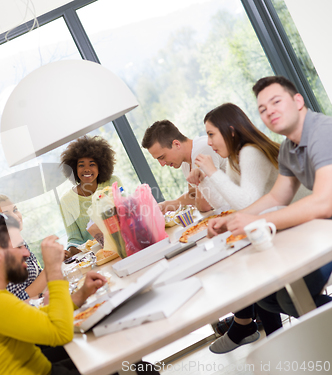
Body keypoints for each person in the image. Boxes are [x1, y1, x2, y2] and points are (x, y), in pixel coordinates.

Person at [208, 75, 332, 345]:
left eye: (276, 101)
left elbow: (324, 201)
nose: (269, 111)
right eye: (262, 109)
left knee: (290, 297)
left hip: (326, 228)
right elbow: (278, 194)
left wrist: (257, 222)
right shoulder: (289, 146)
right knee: (265, 295)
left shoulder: (322, 132)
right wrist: (236, 219)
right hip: (322, 229)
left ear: (298, 101)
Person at [186, 103, 309, 354]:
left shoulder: (250, 152)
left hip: (308, 228)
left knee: (278, 294)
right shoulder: (235, 159)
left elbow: (247, 203)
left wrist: (210, 170)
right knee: (264, 294)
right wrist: (207, 176)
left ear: (230, 131)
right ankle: (282, 338)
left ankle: (303, 330)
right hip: (286, 229)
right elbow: (236, 202)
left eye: (211, 134)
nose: (208, 142)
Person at [0, 213, 107, 375]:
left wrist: (79, 296)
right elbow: (61, 333)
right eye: (19, 247)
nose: (26, 253)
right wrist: (52, 269)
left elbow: (35, 318)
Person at [141, 120, 227, 213]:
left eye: (162, 157)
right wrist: (167, 205)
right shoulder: (186, 162)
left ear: (176, 144)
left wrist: (196, 203)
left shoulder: (203, 150)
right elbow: (193, 195)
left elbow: (205, 205)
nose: (162, 164)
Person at [59, 135, 123, 258]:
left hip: (123, 242)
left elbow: (126, 213)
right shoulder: (66, 201)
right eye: (81, 165)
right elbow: (74, 238)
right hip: (97, 255)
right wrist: (70, 252)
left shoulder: (112, 182)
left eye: (92, 164)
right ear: (73, 168)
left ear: (100, 166)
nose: (87, 169)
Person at [0, 191, 46, 301]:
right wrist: (50, 267)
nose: (15, 216)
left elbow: (38, 274)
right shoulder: (1, 255)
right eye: (6, 214)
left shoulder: (18, 240)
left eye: (15, 210)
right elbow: (19, 299)